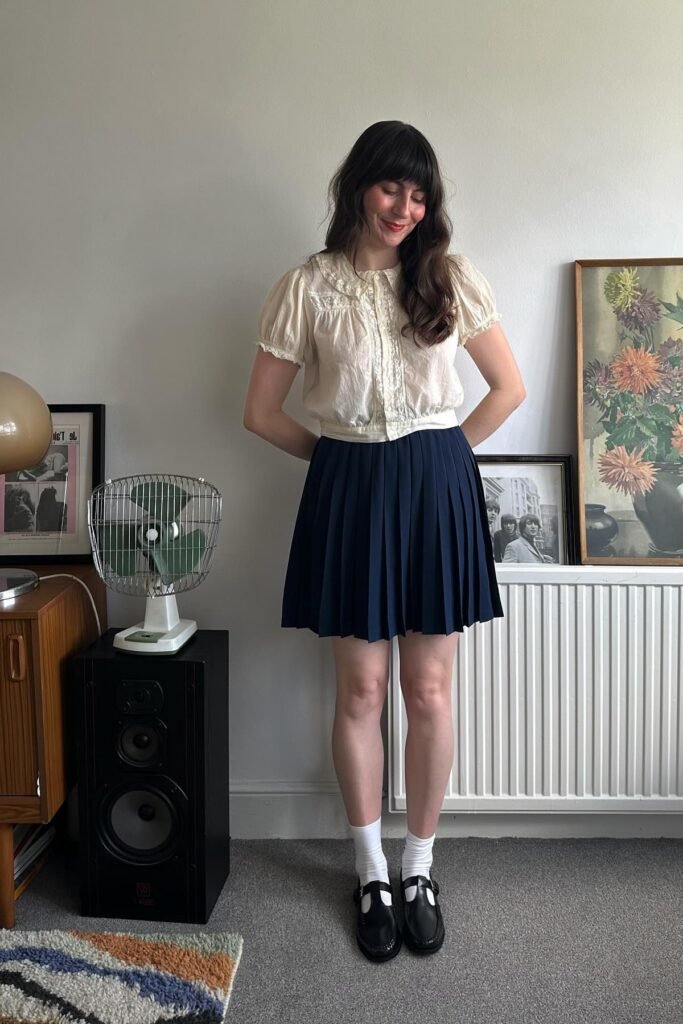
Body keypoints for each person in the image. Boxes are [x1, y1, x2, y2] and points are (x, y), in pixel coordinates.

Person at [243, 121, 525, 962]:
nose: (404, 206)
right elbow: (260, 413)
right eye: (390, 187)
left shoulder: (448, 277)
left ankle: (419, 868)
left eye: (419, 192)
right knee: (361, 692)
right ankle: (367, 868)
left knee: (429, 691)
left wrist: (439, 460)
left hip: (436, 481)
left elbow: (507, 389)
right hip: (349, 489)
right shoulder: (307, 286)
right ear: (358, 187)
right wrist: (337, 467)